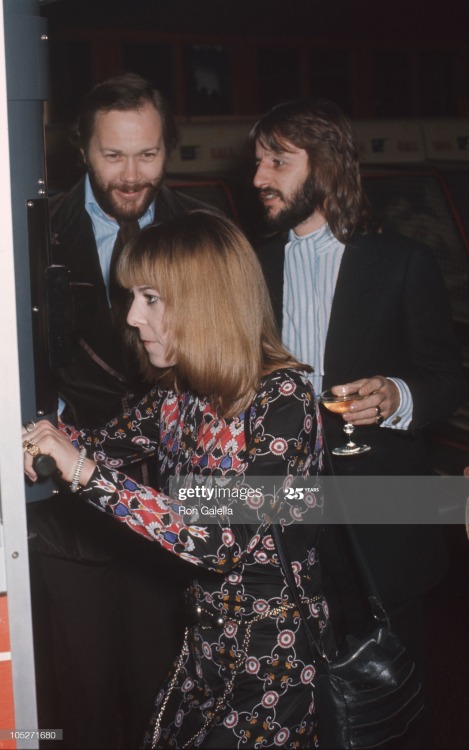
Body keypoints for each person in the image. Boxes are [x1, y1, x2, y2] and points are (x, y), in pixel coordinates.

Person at [23, 211, 330, 750]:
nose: (134, 317)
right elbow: (95, 446)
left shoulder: (282, 399)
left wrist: (78, 469)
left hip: (274, 658)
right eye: (133, 299)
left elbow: (219, 540)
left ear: (203, 302)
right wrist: (39, 434)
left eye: (151, 298)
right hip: (205, 644)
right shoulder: (178, 394)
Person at [250, 99, 465, 748]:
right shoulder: (247, 265)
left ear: (326, 168)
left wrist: (395, 397)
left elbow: (445, 379)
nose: (258, 176)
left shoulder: (400, 262)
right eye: (258, 160)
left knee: (387, 704)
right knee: (294, 698)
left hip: (380, 532)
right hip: (282, 525)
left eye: (276, 162)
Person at [27, 73, 209, 749]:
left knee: (161, 698)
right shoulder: (33, 231)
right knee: (79, 698)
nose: (132, 175)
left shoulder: (204, 231)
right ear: (81, 150)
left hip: (169, 512)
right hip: (67, 514)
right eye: (113, 155)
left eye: (148, 154)